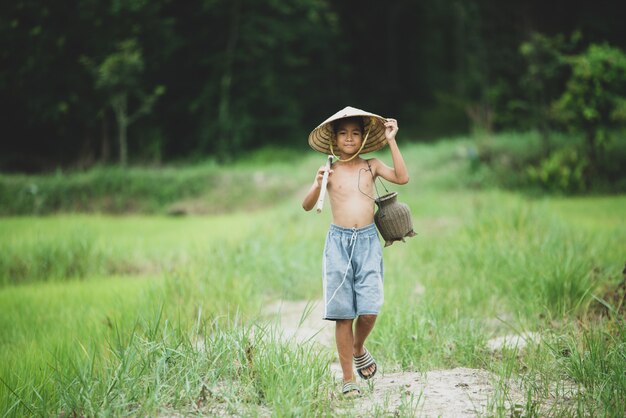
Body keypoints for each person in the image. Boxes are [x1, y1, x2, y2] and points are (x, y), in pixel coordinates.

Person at [302, 106, 409, 396]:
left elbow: (402, 177)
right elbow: (307, 205)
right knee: (343, 315)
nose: (349, 138)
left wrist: (392, 140)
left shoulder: (371, 165)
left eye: (355, 133)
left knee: (369, 310)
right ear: (334, 140)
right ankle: (348, 379)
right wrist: (316, 183)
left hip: (367, 242)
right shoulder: (330, 171)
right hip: (338, 244)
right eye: (343, 134)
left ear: (362, 138)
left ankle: (359, 346)